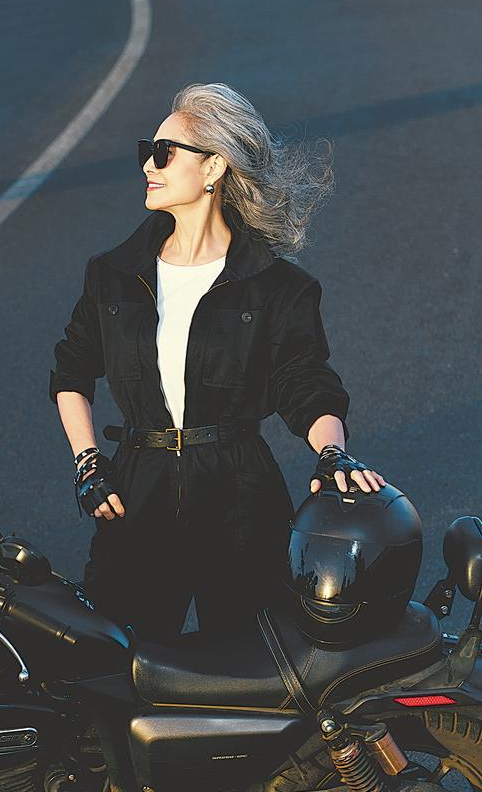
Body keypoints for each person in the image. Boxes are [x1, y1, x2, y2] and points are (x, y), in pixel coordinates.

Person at [49, 82, 385, 642]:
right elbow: (72, 369)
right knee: (116, 662)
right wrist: (88, 463)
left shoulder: (276, 286)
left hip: (240, 500)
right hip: (137, 494)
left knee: (249, 667)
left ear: (213, 167)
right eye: (146, 152)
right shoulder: (114, 275)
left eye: (164, 152)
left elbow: (305, 381)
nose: (148, 165)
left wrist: (332, 453)